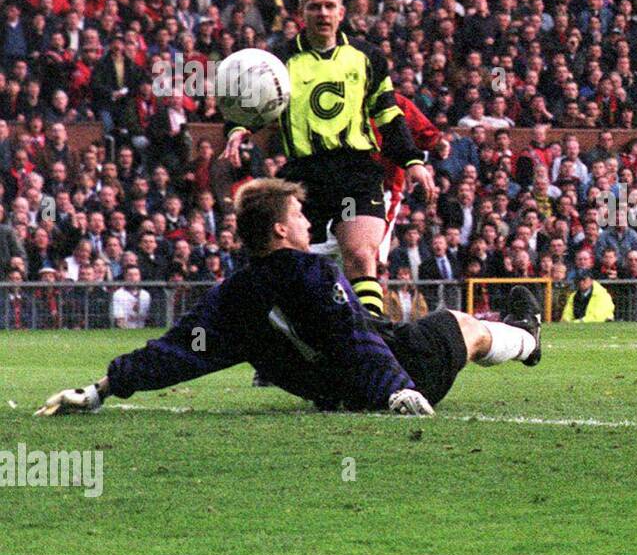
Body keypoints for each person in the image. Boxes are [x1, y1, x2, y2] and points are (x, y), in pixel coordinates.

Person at [37, 179, 540, 418]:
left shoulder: (231, 297)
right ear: (281, 229)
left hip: (337, 396)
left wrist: (101, 388)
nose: (307, 221)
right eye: (300, 214)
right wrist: (394, 389)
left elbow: (173, 354)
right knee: (463, 325)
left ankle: (522, 332)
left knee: (436, 328)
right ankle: (528, 339)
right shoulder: (312, 271)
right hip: (405, 368)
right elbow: (354, 335)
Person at [220, 0, 434, 318]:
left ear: (341, 12)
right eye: (314, 7)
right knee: (295, 268)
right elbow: (249, 101)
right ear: (301, 14)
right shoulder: (280, 60)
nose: (323, 13)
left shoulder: (367, 57)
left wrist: (412, 160)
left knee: (361, 254)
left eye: (329, 6)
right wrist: (237, 129)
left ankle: (371, 341)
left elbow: (389, 112)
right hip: (304, 177)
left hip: (356, 172)